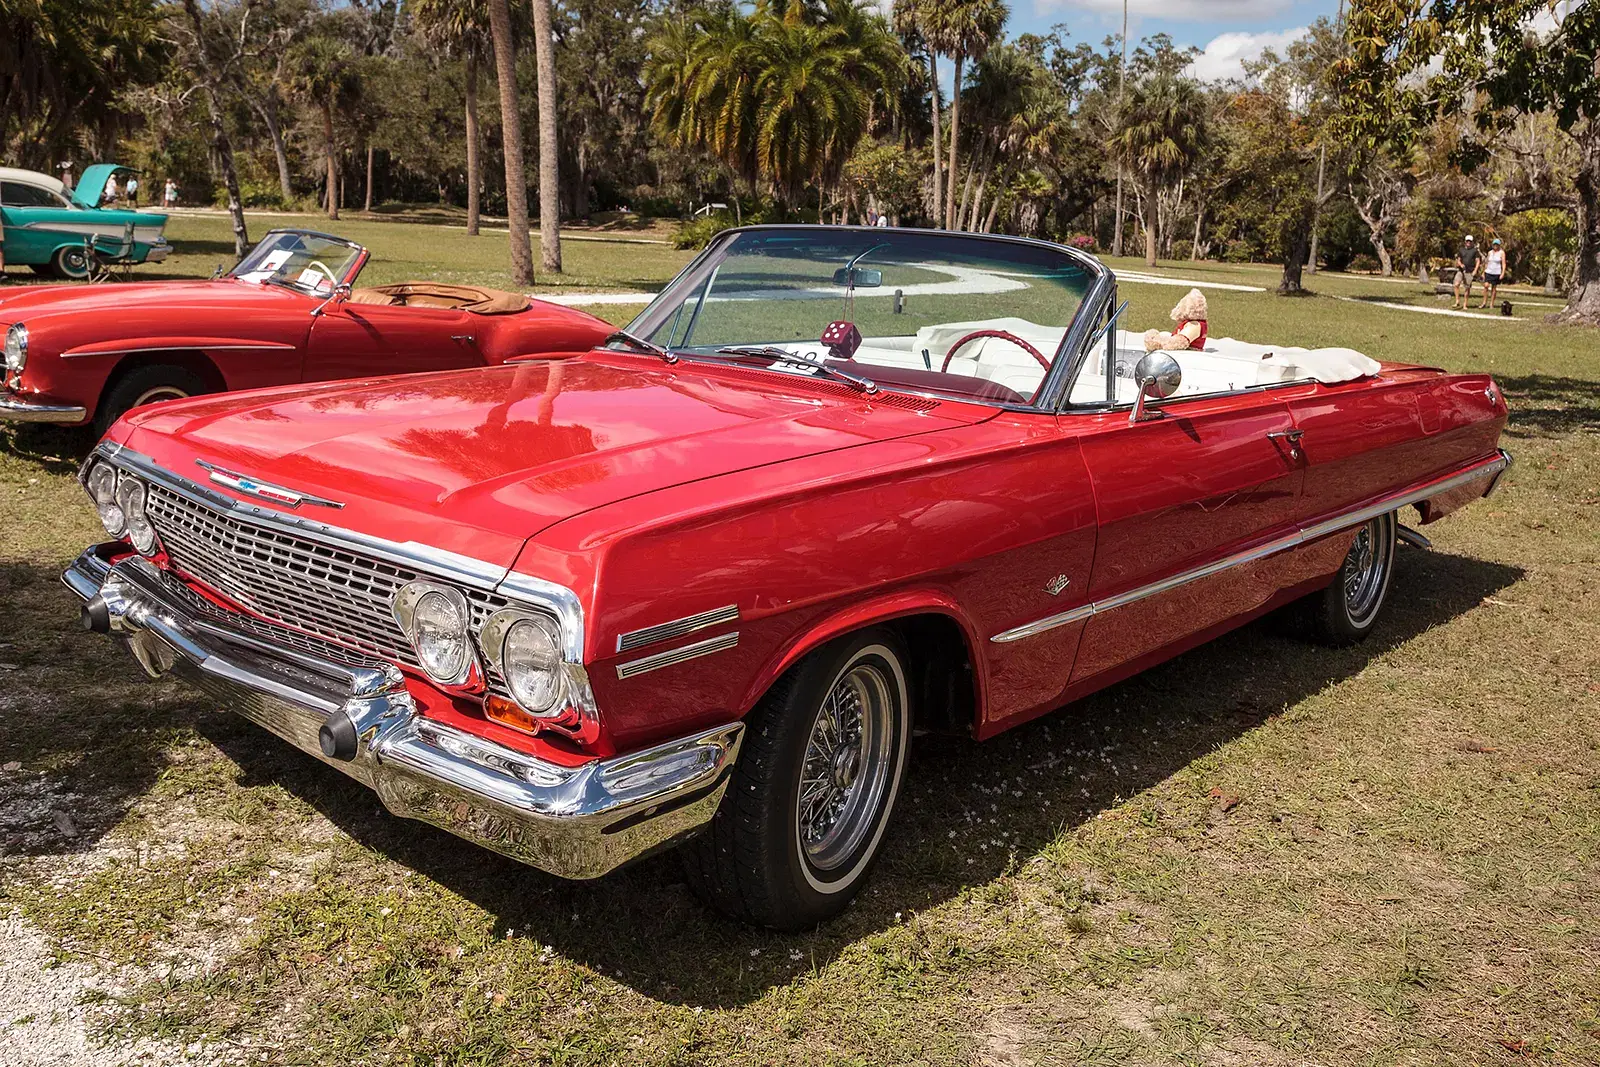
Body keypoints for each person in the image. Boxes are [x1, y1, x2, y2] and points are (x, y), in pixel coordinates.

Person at [1452, 235, 1480, 310]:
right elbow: (1458, 259)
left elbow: (1478, 261)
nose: (1468, 242)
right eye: (1467, 241)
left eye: (1470, 241)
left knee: (1467, 288)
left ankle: (1465, 304)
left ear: (1472, 242)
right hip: (1461, 270)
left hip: (1470, 271)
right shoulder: (1461, 250)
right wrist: (1461, 265)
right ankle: (1457, 301)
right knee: (1456, 284)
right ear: (1465, 241)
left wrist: (1475, 270)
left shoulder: (1475, 251)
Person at [1479, 238, 1508, 309]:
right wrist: (1483, 271)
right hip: (1488, 271)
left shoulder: (1501, 253)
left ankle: (1491, 304)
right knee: (1486, 286)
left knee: (1494, 288)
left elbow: (1503, 264)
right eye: (1494, 244)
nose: (1495, 246)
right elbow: (1487, 262)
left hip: (1496, 272)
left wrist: (1502, 273)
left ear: (1499, 245)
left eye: (1497, 245)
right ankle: (1484, 302)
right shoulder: (1490, 252)